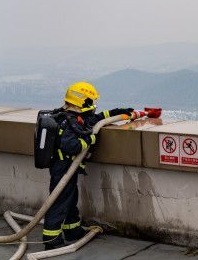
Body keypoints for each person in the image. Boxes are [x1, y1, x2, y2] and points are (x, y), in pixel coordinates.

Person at [43, 82, 133, 250]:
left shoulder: (71, 116)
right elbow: (71, 145)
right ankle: (51, 239)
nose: (92, 106)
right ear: (82, 101)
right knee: (60, 201)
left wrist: (119, 112)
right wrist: (90, 139)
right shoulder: (68, 121)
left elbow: (96, 118)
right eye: (90, 102)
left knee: (69, 198)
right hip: (63, 167)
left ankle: (72, 230)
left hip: (66, 167)